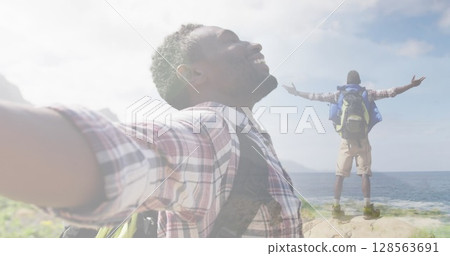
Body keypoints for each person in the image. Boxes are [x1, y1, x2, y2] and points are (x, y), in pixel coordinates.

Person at [0, 24, 303, 237]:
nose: (255, 44)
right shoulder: (209, 131)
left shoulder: (246, 136)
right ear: (195, 73)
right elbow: (113, 154)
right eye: (230, 39)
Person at [283, 70, 425, 219]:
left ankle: (336, 208)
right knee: (364, 173)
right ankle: (367, 209)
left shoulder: (338, 94)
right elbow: (392, 92)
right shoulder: (368, 93)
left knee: (340, 175)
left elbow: (315, 97)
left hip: (346, 140)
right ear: (359, 82)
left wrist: (296, 93)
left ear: (347, 81)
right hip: (362, 139)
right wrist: (411, 85)